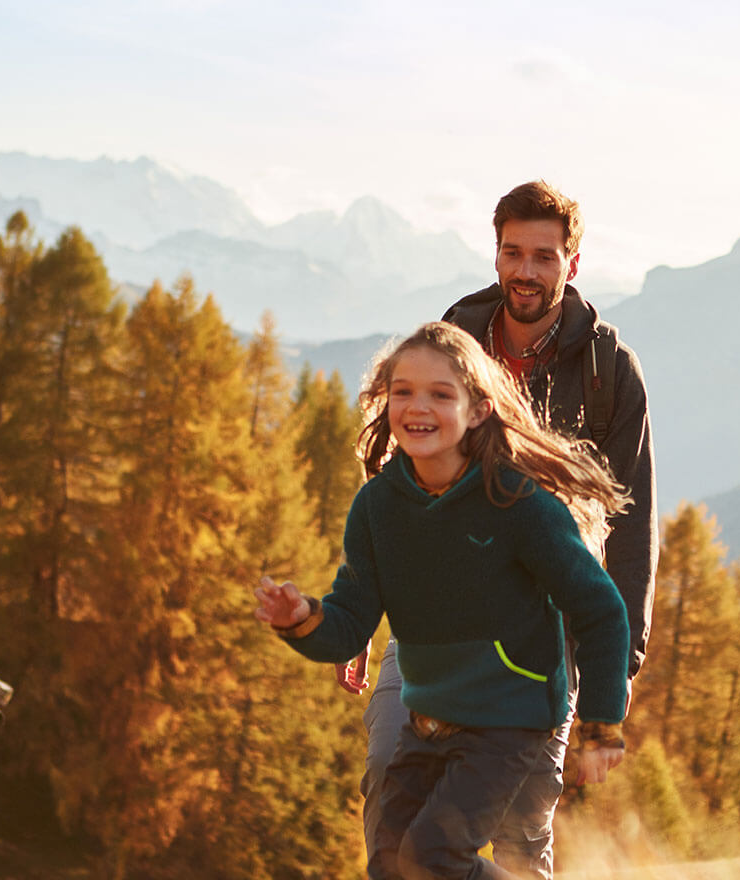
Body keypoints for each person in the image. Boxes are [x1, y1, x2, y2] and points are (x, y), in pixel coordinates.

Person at [344, 180, 657, 878]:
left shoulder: (608, 371)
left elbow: (631, 526)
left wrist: (621, 661)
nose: (525, 271)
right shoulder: (454, 338)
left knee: (520, 832)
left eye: (544, 257)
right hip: (434, 626)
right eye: (513, 253)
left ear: (572, 265)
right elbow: (404, 477)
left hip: (545, 636)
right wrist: (362, 613)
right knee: (390, 788)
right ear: (495, 255)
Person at [254, 321, 631, 880]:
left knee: (432, 859)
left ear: (477, 410)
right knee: (389, 862)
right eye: (402, 391)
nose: (416, 406)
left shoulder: (518, 503)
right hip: (429, 717)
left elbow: (601, 610)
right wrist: (304, 617)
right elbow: (350, 620)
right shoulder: (379, 507)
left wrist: (601, 724)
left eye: (439, 393)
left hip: (512, 719)